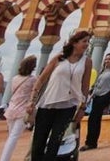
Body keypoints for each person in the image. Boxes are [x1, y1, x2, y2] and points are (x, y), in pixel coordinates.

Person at [28, 31, 92, 161]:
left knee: (56, 141)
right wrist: (32, 100)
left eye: (88, 41)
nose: (87, 44)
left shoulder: (87, 62)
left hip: (69, 106)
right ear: (74, 43)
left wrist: (83, 107)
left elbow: (85, 86)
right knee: (39, 141)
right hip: (48, 103)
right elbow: (41, 80)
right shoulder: (59, 58)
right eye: (84, 41)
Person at [0, 56, 36, 161]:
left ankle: (4, 158)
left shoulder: (15, 78)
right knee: (13, 137)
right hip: (23, 110)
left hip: (11, 109)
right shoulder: (33, 79)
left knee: (11, 136)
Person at [81, 53, 110, 151]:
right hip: (97, 95)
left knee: (94, 117)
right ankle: (91, 142)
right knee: (94, 118)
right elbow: (97, 84)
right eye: (106, 59)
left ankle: (90, 143)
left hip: (106, 94)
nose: (107, 61)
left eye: (109, 59)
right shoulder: (103, 70)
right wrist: (91, 95)